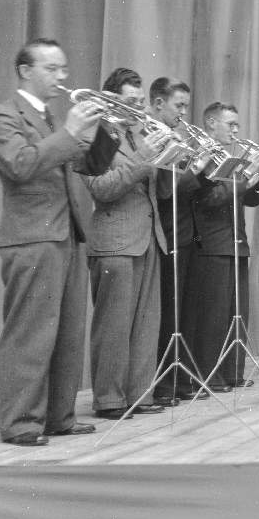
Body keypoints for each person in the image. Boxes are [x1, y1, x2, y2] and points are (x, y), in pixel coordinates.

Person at [0, 38, 113, 445]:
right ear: (25, 71)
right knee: (31, 335)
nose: (63, 77)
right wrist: (72, 131)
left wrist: (109, 131)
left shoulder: (54, 122)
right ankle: (21, 423)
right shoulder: (1, 116)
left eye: (63, 69)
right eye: (53, 68)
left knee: (68, 333)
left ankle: (59, 416)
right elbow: (21, 165)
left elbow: (90, 165)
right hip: (33, 238)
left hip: (67, 236)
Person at [83, 68, 170, 420]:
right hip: (115, 240)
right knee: (113, 326)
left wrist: (165, 155)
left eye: (139, 102)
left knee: (146, 324)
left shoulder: (137, 135)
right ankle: (109, 399)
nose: (138, 109)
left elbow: (160, 191)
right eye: (129, 102)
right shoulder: (96, 134)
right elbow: (101, 189)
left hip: (148, 237)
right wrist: (144, 158)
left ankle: (139, 394)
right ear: (109, 101)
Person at [185, 101, 259, 391]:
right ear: (210, 123)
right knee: (214, 317)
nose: (235, 130)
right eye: (229, 124)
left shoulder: (227, 156)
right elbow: (208, 199)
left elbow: (251, 199)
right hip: (212, 243)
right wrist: (244, 179)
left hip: (235, 243)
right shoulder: (201, 154)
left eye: (236, 124)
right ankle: (210, 376)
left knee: (237, 314)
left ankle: (233, 373)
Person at [148, 76, 202, 403]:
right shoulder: (152, 135)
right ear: (158, 104)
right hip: (167, 233)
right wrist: (188, 160)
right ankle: (165, 384)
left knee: (185, 313)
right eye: (178, 106)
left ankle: (181, 380)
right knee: (169, 313)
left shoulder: (174, 135)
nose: (183, 113)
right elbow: (167, 190)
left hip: (187, 233)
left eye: (185, 106)